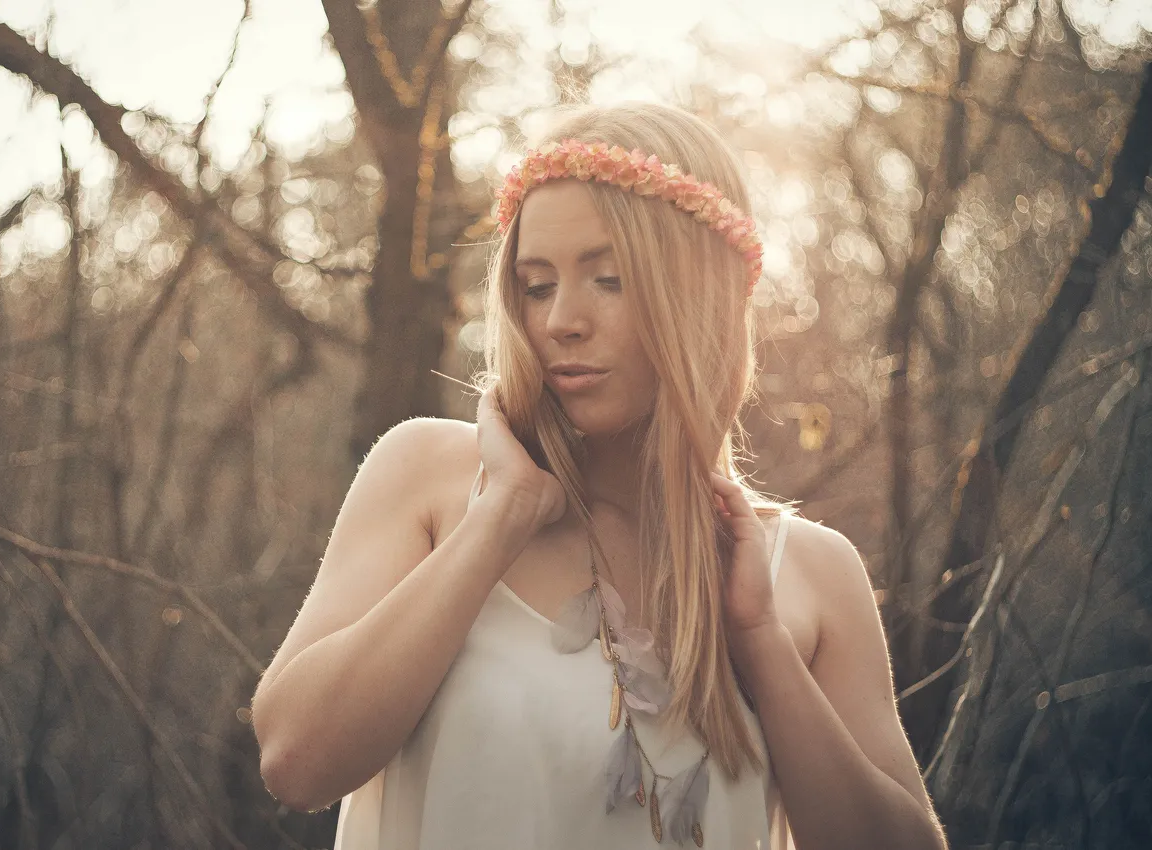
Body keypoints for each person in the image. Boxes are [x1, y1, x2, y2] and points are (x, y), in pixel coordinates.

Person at [251, 102, 948, 850]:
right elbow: (296, 763)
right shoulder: (430, 479)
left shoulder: (809, 573)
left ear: (702, 296)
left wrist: (760, 643)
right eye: (538, 284)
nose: (560, 322)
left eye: (608, 279)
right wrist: (500, 520)